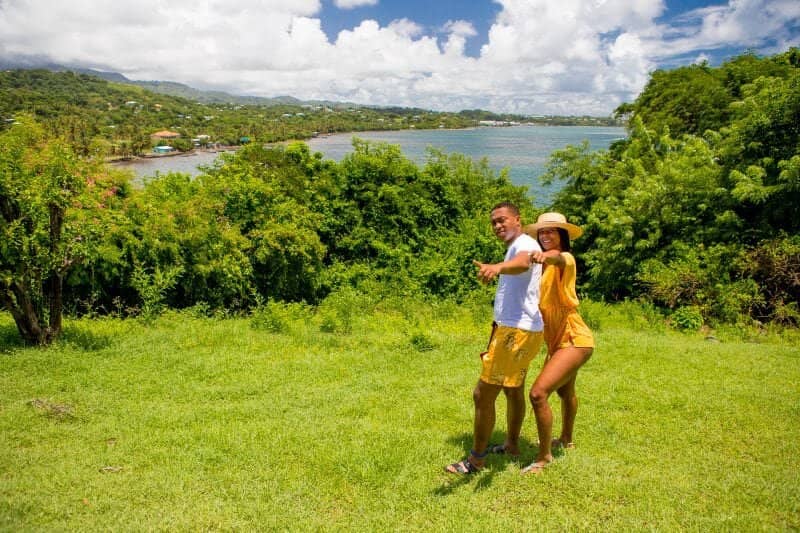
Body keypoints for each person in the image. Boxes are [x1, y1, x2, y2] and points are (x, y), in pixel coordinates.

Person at [446, 202, 544, 475]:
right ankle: (512, 444)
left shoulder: (525, 244)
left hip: (515, 331)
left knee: (483, 394)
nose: (498, 226)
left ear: (518, 220)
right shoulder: (520, 245)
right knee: (513, 390)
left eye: (503, 220)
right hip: (524, 328)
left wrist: (498, 267)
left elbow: (523, 262)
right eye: (494, 223)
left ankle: (476, 460)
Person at [521, 212, 594, 475]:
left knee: (538, 394)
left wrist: (544, 255)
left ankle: (544, 457)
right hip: (557, 341)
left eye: (552, 231)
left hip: (574, 338)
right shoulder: (541, 268)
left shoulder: (565, 259)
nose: (546, 236)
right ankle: (566, 439)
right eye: (542, 232)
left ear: (562, 235)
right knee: (565, 392)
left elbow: (557, 256)